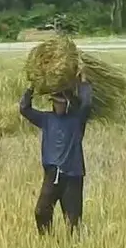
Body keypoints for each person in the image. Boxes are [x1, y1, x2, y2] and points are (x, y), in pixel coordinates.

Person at [20, 81, 94, 235]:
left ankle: (73, 247)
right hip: (52, 175)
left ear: (68, 104)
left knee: (73, 222)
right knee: (41, 211)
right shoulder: (46, 119)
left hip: (72, 176)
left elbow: (86, 104)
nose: (58, 106)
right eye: (55, 102)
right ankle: (47, 242)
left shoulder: (77, 120)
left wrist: (83, 82)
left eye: (61, 103)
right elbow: (24, 109)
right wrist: (31, 87)